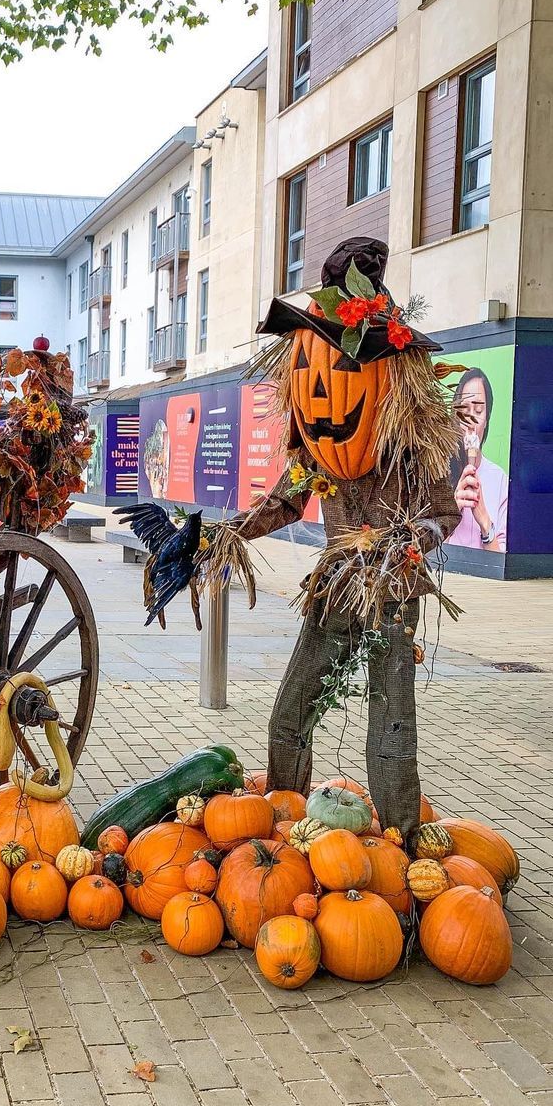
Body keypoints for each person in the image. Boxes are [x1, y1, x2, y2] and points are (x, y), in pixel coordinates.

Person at [227, 238, 460, 844]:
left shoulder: (415, 437)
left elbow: (441, 514)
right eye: (311, 366)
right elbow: (286, 499)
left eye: (348, 367)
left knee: (390, 723)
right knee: (293, 708)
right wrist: (231, 533)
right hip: (334, 587)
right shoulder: (319, 444)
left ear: (389, 370)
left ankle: (405, 844)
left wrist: (402, 544)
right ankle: (283, 824)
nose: (326, 390)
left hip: (391, 590)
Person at [448, 367, 508, 551]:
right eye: (464, 409)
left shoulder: (499, 479)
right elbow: (418, 552)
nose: (470, 419)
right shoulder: (436, 474)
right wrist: (450, 514)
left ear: (487, 418)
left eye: (479, 409)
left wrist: (484, 521)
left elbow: (502, 562)